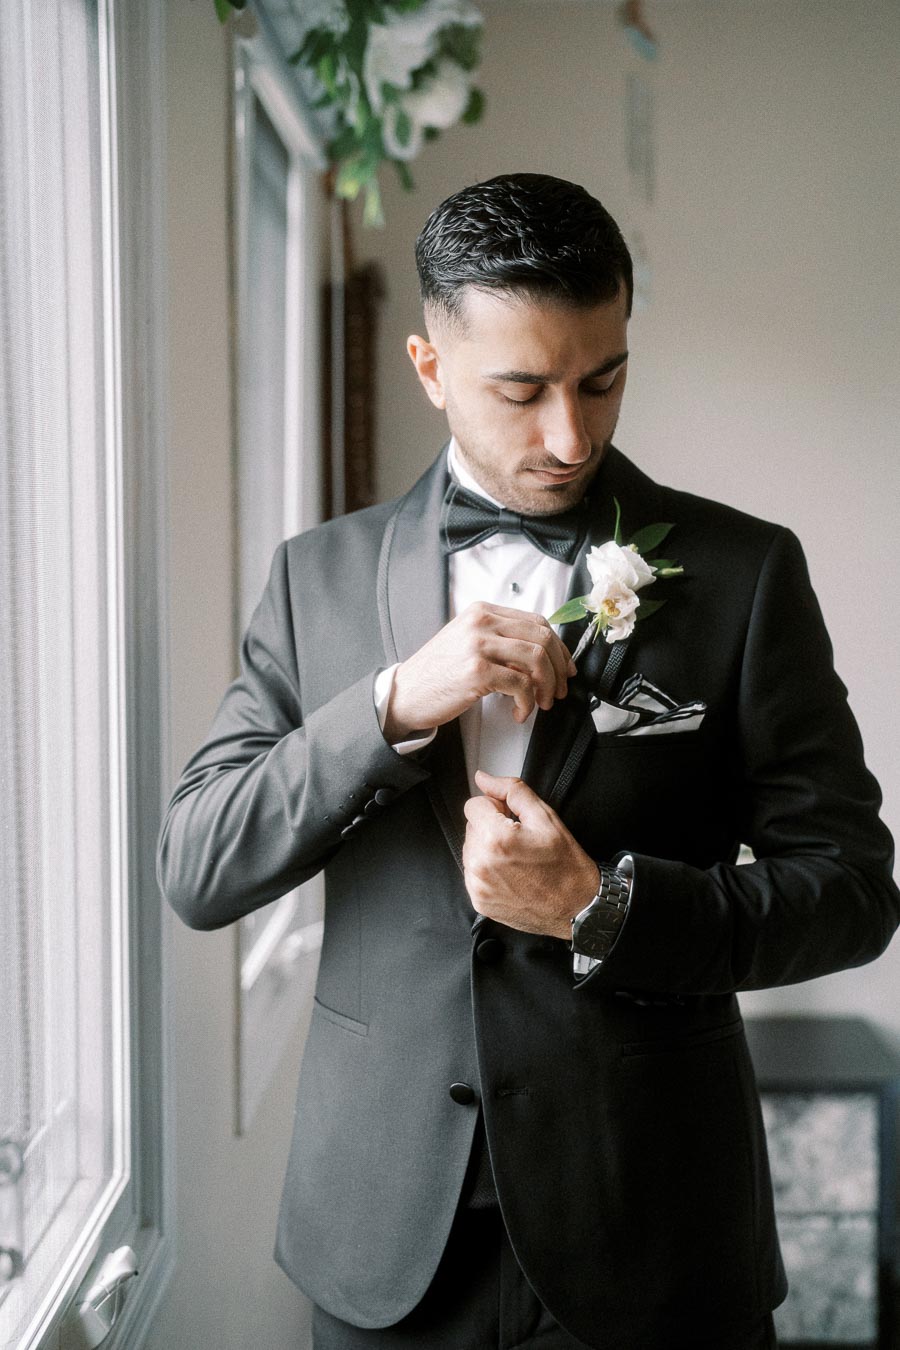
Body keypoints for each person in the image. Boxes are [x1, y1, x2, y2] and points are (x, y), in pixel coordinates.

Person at [157, 173, 899, 1350]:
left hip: (655, 1235)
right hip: (385, 1241)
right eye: (523, 389)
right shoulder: (318, 580)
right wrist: (394, 705)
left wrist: (604, 910)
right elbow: (199, 865)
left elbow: (855, 891)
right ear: (430, 367)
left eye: (602, 379)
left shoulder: (746, 574)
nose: (571, 435)